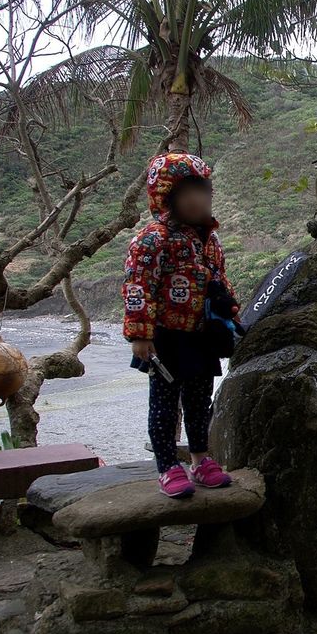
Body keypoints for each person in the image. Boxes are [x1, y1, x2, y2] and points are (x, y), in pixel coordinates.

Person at [122, 151, 237, 498]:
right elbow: (138, 286)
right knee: (164, 403)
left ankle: (201, 460)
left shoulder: (210, 241)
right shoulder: (152, 239)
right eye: (188, 193)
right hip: (166, 339)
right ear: (166, 198)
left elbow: (219, 280)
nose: (198, 200)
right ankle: (168, 466)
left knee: (200, 402)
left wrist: (232, 310)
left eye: (203, 191)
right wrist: (140, 335)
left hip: (201, 335)